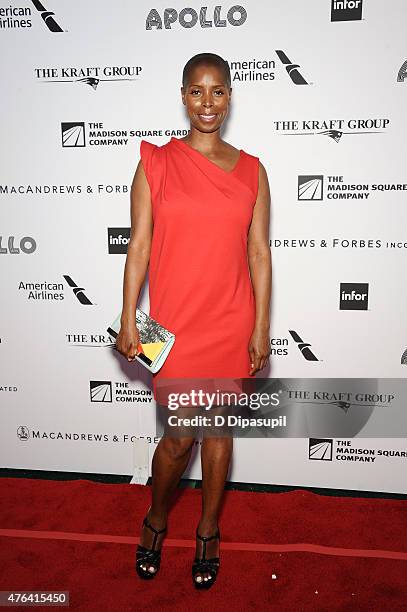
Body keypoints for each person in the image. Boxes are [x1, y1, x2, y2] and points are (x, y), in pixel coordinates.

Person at [116, 52, 271, 589]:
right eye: (198, 92)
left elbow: (259, 254)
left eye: (219, 91)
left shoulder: (253, 169)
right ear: (183, 96)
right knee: (180, 438)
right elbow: (138, 245)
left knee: (220, 436)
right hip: (176, 323)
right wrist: (128, 315)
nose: (209, 103)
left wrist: (260, 327)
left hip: (231, 318)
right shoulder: (155, 163)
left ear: (230, 97)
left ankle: (208, 531)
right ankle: (157, 519)